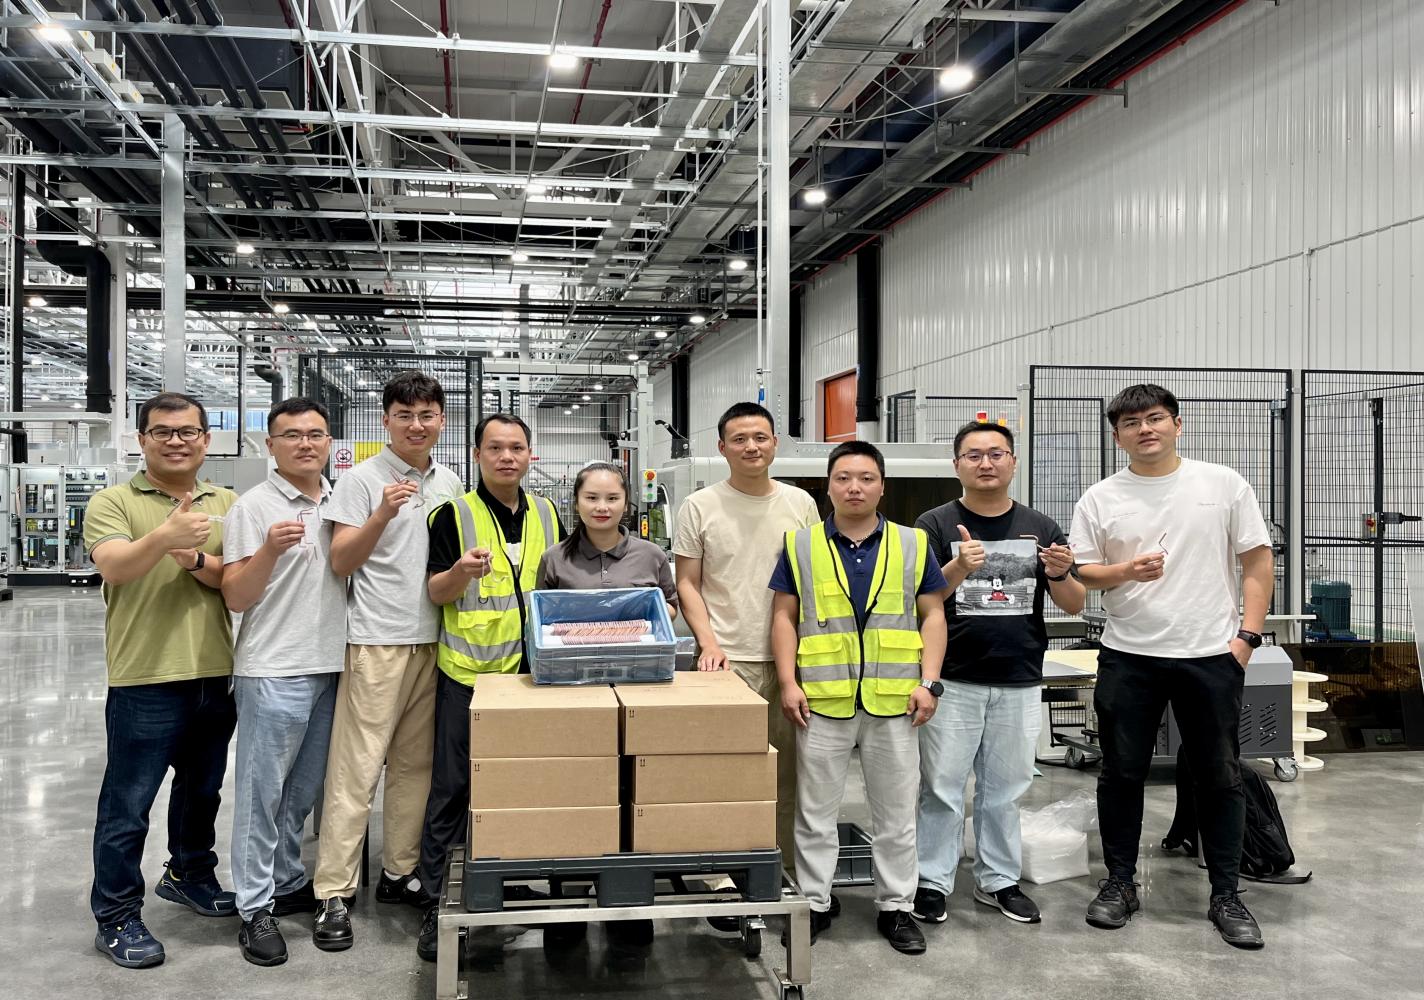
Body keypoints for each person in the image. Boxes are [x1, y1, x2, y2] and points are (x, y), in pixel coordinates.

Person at [1069, 384, 1274, 949]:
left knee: (1220, 775)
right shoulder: (1101, 497)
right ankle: (1119, 883)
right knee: (1121, 773)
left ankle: (1226, 894)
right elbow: (1083, 572)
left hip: (1210, 655)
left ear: (1177, 425)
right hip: (1129, 655)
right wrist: (1126, 572)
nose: (1145, 429)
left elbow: (1257, 562)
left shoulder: (1223, 485)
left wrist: (1247, 637)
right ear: (1117, 437)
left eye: (1155, 418)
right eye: (1131, 423)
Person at [769, 441, 949, 955]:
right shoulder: (800, 545)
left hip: (896, 701)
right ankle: (815, 903)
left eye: (866, 478)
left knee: (896, 814)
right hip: (822, 700)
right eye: (843, 478)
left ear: (882, 487)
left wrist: (929, 682)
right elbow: (783, 617)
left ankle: (896, 907)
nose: (854, 487)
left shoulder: (913, 543)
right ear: (827, 486)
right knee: (814, 813)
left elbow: (933, 615)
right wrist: (788, 682)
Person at [83, 392, 239, 969]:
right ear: (142, 439)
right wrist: (165, 537)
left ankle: (189, 873)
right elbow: (115, 566)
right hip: (145, 676)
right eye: (163, 431)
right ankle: (116, 914)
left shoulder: (226, 502)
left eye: (188, 431)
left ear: (206, 440)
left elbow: (233, 581)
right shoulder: (114, 501)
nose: (176, 441)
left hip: (214, 672)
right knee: (128, 804)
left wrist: (196, 560)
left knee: (202, 792)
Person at [311, 371, 464, 952]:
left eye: (426, 415)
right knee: (356, 770)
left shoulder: (450, 482)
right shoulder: (359, 480)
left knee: (414, 768)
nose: (416, 426)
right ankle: (334, 891)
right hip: (376, 641)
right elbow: (340, 561)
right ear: (386, 421)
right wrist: (380, 514)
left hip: (434, 641)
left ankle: (400, 871)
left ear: (441, 420)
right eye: (404, 415)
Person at [912, 420, 1086, 928]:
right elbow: (921, 600)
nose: (985, 463)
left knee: (1004, 789)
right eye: (973, 455)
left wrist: (1058, 572)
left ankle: (998, 880)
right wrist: (959, 567)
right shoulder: (935, 524)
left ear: (1013, 462)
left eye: (996, 454)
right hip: (954, 677)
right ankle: (932, 881)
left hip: (1019, 677)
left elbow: (1074, 604)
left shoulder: (1041, 526)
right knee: (942, 788)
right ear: (957, 465)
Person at [415, 413, 564, 961]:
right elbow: (435, 592)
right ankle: (435, 902)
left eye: (517, 448)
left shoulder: (547, 512)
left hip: (533, 678)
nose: (507, 457)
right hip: (471, 678)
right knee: (453, 789)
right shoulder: (452, 514)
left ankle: (508, 881)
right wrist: (460, 572)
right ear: (476, 454)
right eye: (495, 448)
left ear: (530, 456)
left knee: (519, 787)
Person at [673, 401, 820, 927]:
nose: (751, 447)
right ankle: (719, 877)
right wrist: (709, 642)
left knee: (786, 775)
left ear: (775, 443)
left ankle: (777, 871)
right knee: (722, 774)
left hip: (790, 662)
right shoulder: (699, 505)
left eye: (760, 437)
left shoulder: (801, 503)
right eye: (739, 439)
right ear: (722, 448)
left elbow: (813, 578)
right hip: (725, 662)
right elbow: (687, 582)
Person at [221, 398, 347, 966]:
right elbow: (236, 595)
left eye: (315, 434)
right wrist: (270, 550)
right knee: (261, 793)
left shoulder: (340, 500)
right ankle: (254, 907)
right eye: (291, 435)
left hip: (331, 666)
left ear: (329, 443)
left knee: (302, 791)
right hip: (273, 668)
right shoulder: (253, 507)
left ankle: (287, 878)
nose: (305, 443)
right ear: (270, 445)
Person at [534, 461, 678, 955]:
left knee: (634, 793)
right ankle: (568, 905)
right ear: (576, 503)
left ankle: (629, 906)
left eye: (612, 498)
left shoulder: (650, 556)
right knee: (574, 793)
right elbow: (541, 620)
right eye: (592, 498)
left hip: (639, 697)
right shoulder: (555, 559)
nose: (602, 507)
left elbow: (671, 607)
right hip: (573, 700)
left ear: (626, 503)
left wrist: (640, 615)